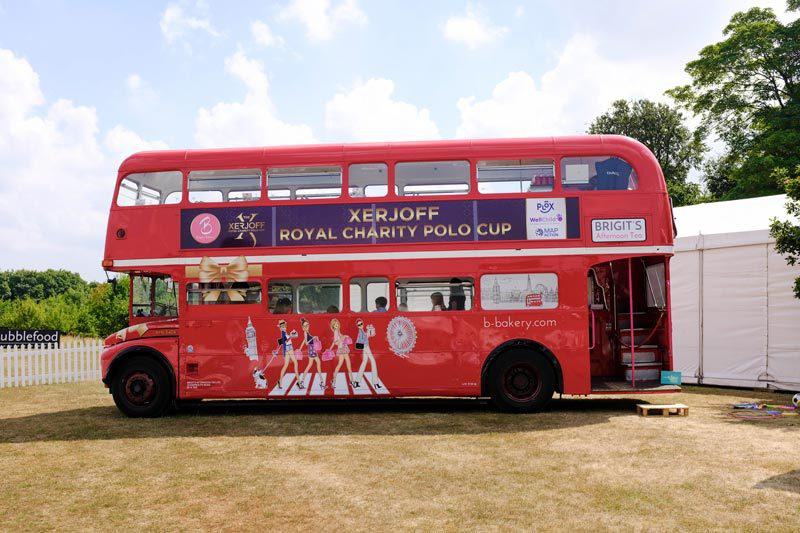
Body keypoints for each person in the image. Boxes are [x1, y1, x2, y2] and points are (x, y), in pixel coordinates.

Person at [270, 319, 299, 389]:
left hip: (287, 349)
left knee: (286, 365)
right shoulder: (283, 333)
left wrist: (291, 335)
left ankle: (280, 381)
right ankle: (299, 382)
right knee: (295, 363)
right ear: (280, 327)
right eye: (282, 326)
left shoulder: (284, 332)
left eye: (284, 325)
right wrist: (292, 335)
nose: (284, 327)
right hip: (289, 348)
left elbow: (285, 340)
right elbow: (285, 340)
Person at [327, 318, 355, 389]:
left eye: (337, 324)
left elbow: (334, 341)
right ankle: (352, 381)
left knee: (340, 365)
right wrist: (344, 337)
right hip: (342, 349)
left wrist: (330, 348)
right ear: (333, 326)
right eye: (335, 325)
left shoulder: (337, 331)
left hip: (343, 348)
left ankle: (334, 380)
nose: (337, 326)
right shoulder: (336, 332)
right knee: (348, 365)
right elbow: (337, 342)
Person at [353, 319, 380, 389]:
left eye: (361, 324)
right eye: (359, 325)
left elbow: (369, 336)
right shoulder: (360, 332)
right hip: (365, 347)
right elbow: (364, 339)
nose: (360, 325)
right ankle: (375, 382)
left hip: (365, 346)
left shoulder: (362, 331)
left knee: (364, 362)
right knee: (373, 361)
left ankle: (357, 381)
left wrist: (369, 330)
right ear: (357, 326)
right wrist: (369, 331)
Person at [297, 318, 322, 390]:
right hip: (311, 349)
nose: (306, 326)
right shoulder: (305, 333)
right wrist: (313, 338)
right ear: (302, 327)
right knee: (314, 364)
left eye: (307, 325)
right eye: (305, 326)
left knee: (313, 364)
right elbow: (306, 343)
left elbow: (303, 341)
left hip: (312, 349)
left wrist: (300, 348)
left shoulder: (307, 332)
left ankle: (301, 382)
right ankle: (321, 382)